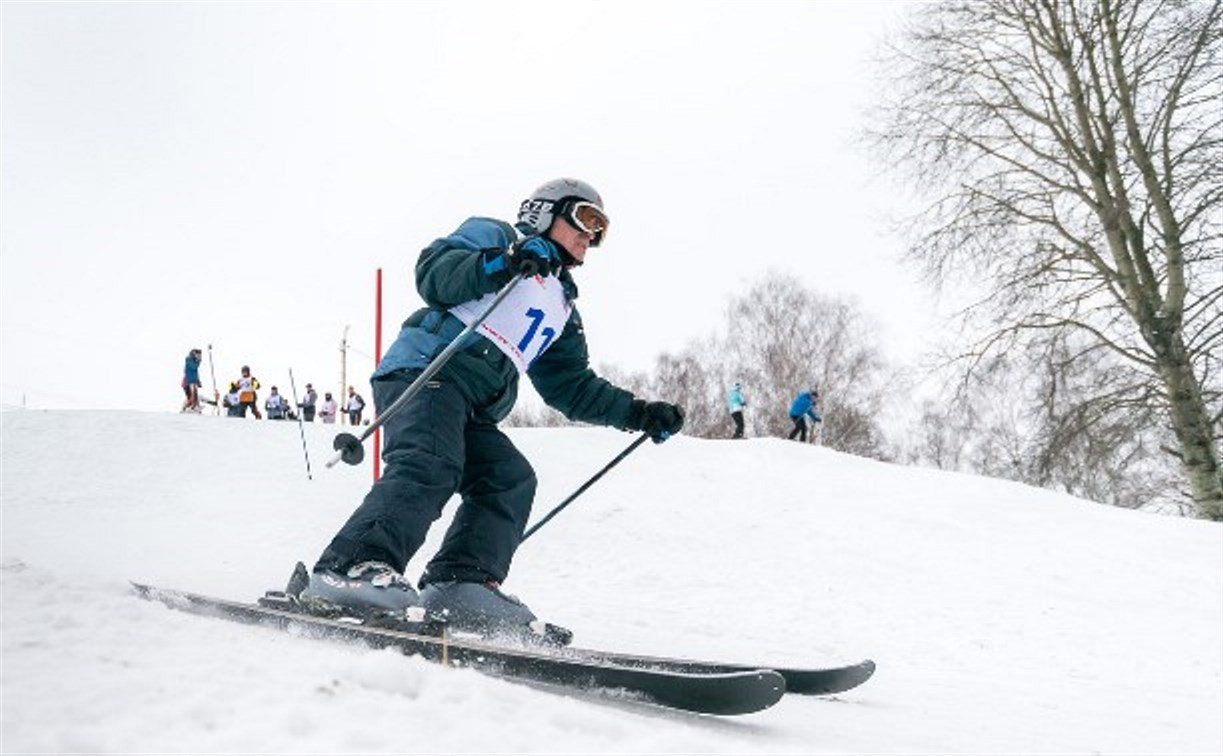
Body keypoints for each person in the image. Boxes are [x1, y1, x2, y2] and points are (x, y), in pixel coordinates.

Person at [299, 177, 685, 638]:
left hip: (473, 407)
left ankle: (459, 583)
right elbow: (434, 274)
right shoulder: (498, 239)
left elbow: (572, 388)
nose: (590, 236)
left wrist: (639, 413)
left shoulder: (562, 307)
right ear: (544, 213)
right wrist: (502, 264)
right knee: (432, 462)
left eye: (599, 230)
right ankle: (349, 568)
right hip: (426, 373)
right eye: (584, 219)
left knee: (508, 478)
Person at [180, 348, 204, 413]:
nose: (200, 357)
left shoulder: (194, 361)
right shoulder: (189, 359)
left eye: (200, 356)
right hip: (188, 382)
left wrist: (198, 381)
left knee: (194, 395)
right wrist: (198, 361)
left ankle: (194, 407)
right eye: (198, 355)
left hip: (193, 382)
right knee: (191, 397)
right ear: (194, 354)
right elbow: (194, 367)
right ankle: (186, 408)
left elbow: (195, 373)